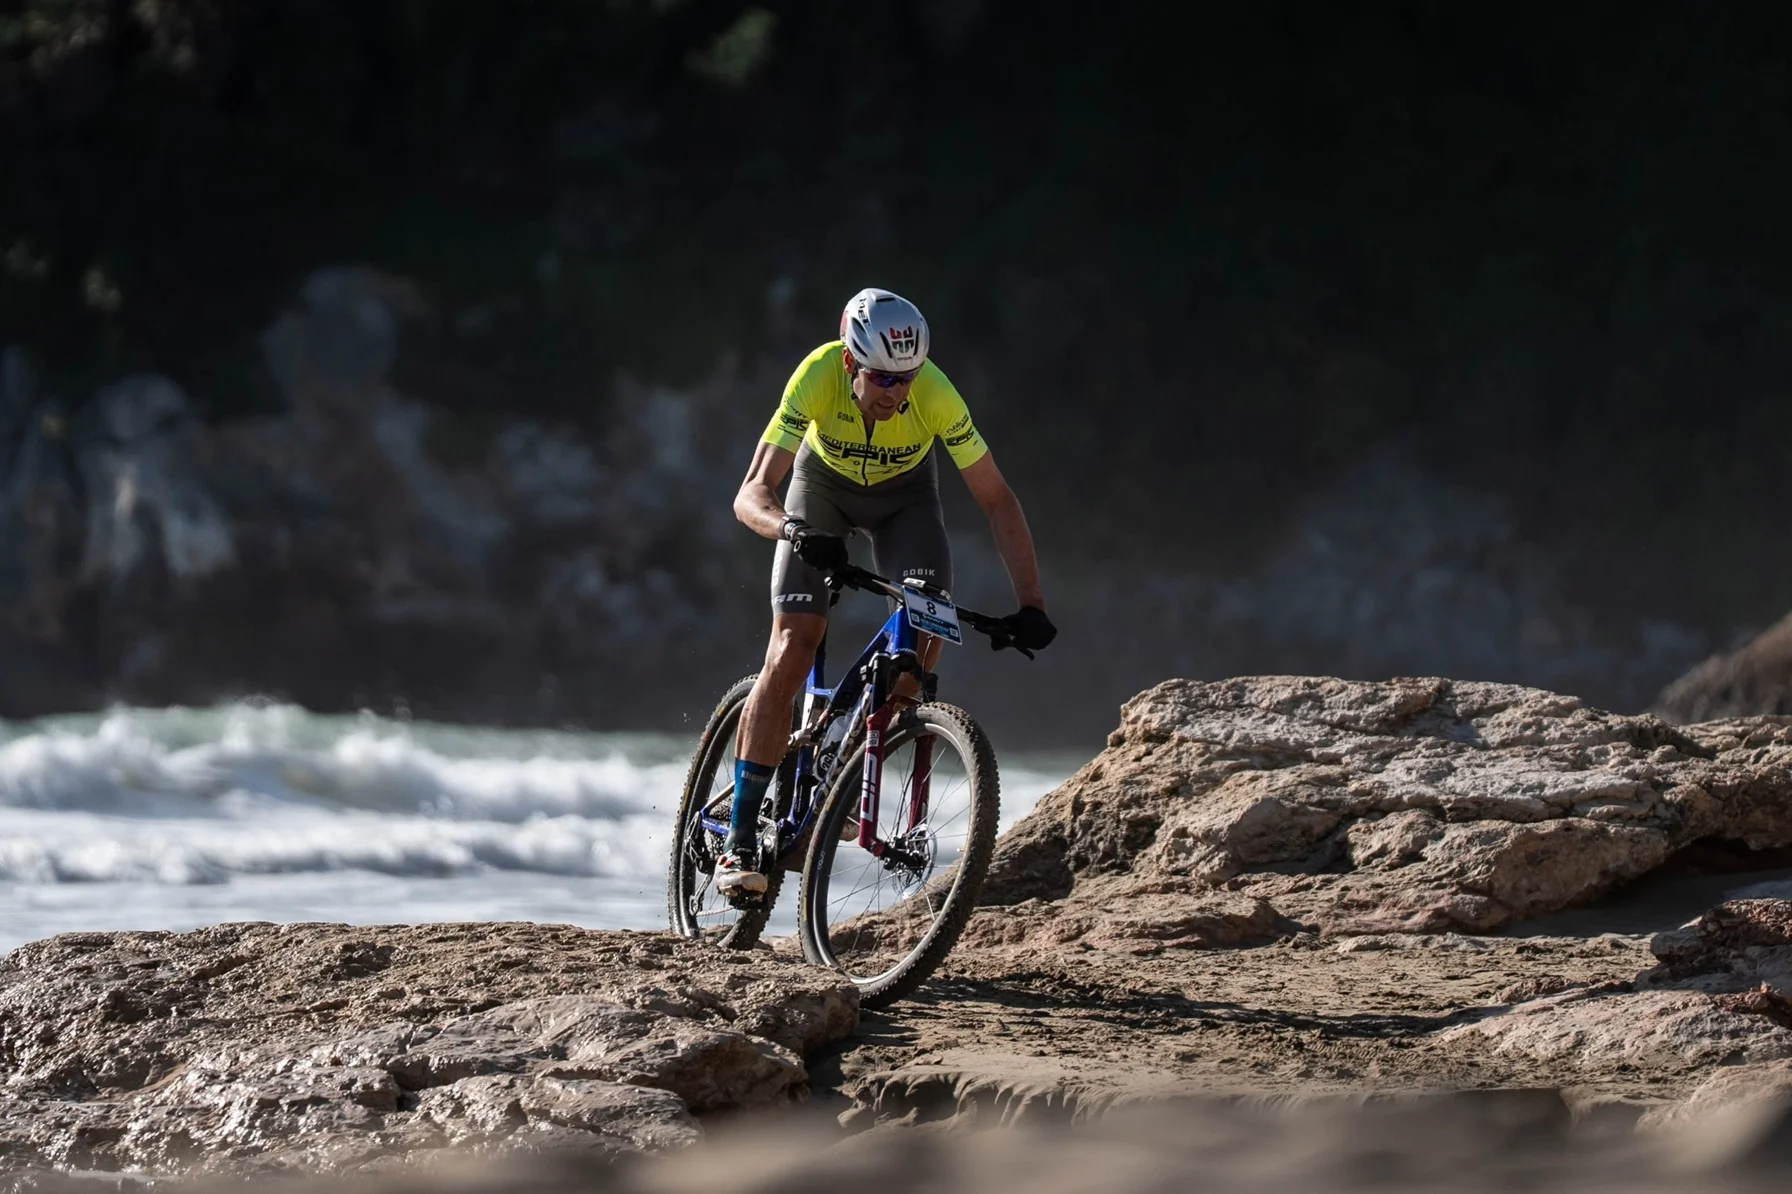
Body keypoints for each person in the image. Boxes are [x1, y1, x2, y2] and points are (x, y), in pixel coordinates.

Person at [716, 287, 1057, 895]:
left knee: (925, 637)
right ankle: (740, 841)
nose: (896, 393)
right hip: (818, 491)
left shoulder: (935, 395)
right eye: (882, 379)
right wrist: (792, 531)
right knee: (794, 648)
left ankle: (842, 772)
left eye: (907, 379)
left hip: (906, 502)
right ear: (851, 363)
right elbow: (750, 494)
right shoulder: (818, 374)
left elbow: (997, 499)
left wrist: (1031, 604)